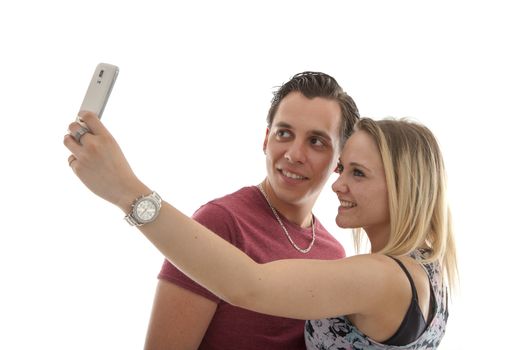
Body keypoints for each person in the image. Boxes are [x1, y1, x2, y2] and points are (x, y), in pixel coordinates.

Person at [65, 109, 458, 349]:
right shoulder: (427, 269)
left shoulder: (378, 276)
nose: (339, 185)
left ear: (405, 186)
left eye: (358, 173)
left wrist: (126, 191)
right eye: (342, 168)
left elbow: (248, 284)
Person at [65, 71, 360, 350]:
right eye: (284, 134)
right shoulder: (221, 222)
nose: (294, 154)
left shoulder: (334, 255)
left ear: (339, 161)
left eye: (316, 142)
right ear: (266, 139)